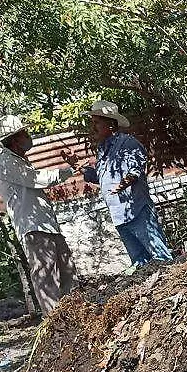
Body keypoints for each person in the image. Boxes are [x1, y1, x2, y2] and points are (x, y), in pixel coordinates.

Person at [0, 114, 78, 315]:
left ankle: (75, 315)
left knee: (66, 271)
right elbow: (37, 179)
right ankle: (56, 322)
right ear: (14, 139)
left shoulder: (17, 160)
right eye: (24, 133)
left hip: (45, 224)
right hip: (33, 227)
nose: (29, 136)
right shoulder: (5, 163)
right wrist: (67, 170)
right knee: (46, 277)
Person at [71, 101, 172, 266]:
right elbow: (102, 177)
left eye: (97, 122)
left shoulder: (128, 144)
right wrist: (77, 167)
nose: (93, 127)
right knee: (141, 264)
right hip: (119, 215)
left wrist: (122, 186)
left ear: (110, 125)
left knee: (160, 256)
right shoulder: (103, 149)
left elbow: (135, 170)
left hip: (137, 210)